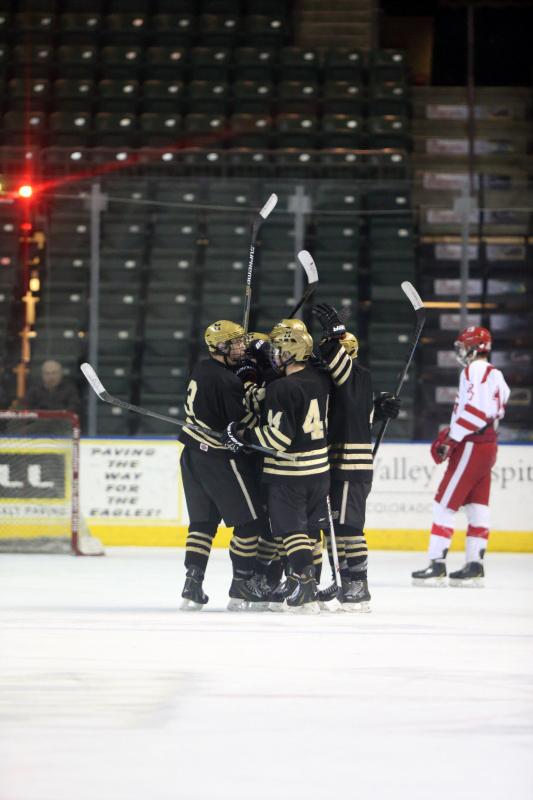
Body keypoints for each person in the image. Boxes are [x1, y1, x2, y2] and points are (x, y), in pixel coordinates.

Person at [222, 326, 331, 613]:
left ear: (292, 352)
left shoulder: (283, 387)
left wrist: (243, 438)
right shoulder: (319, 380)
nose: (276, 357)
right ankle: (309, 588)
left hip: (289, 472)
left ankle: (304, 585)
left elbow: (278, 439)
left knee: (291, 530)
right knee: (309, 532)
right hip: (319, 470)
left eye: (280, 351)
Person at [312, 303, 400, 610]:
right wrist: (381, 405)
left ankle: (358, 587)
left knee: (349, 527)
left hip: (351, 465)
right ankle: (348, 580)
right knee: (335, 525)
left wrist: (332, 333)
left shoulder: (356, 376)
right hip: (339, 463)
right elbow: (355, 413)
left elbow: (341, 370)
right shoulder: (347, 385)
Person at [178, 320, 268, 611]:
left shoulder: (201, 367)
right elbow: (243, 425)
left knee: (202, 524)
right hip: (218, 460)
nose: (241, 347)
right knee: (250, 522)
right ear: (220, 346)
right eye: (236, 343)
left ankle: (192, 584)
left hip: (191, 455)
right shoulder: (227, 382)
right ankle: (241, 584)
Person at [412, 325, 510, 587]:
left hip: (472, 443)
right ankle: (475, 564)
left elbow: (474, 413)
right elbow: (495, 409)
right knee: (478, 505)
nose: (462, 351)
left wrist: (450, 438)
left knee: (444, 503)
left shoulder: (474, 370)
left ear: (477, 347)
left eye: (465, 346)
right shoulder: (496, 374)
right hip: (489, 444)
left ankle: (436, 563)